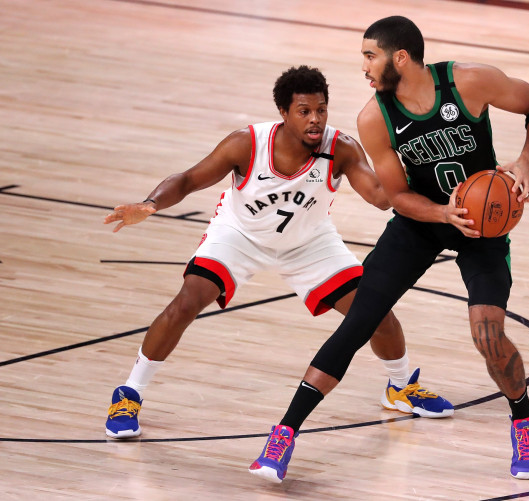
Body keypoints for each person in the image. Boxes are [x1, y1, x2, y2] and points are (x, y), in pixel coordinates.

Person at [250, 17, 529, 482]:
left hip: (483, 226)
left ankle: (523, 421)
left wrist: (525, 163)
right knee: (358, 324)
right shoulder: (375, 117)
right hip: (422, 224)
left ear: (399, 58)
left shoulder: (469, 80)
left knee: (487, 334)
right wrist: (442, 214)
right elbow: (396, 196)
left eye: (370, 56)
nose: (364, 68)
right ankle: (283, 435)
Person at [103, 65, 453, 445]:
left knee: (377, 314)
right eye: (304, 111)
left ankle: (400, 388)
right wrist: (150, 205)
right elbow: (189, 179)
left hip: (309, 242)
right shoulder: (247, 143)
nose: (315, 119)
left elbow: (380, 198)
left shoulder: (342, 149)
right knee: (186, 303)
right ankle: (129, 394)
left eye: (321, 109)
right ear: (284, 113)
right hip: (240, 234)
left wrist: (421, 175)